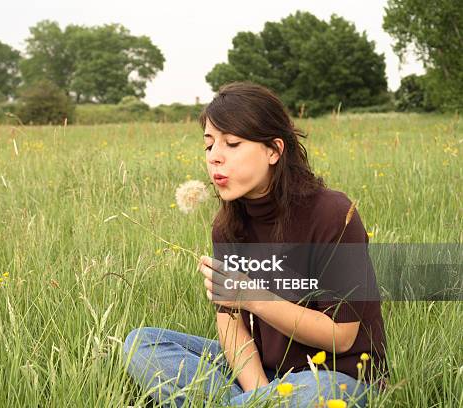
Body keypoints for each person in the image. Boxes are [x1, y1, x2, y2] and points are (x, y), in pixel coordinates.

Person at [123, 82, 388, 407]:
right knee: (144, 343)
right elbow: (230, 324)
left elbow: (341, 336)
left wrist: (254, 298)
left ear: (274, 150)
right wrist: (260, 395)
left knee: (316, 391)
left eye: (232, 143)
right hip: (263, 372)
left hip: (337, 378)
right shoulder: (227, 225)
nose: (215, 158)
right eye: (209, 146)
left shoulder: (332, 214)